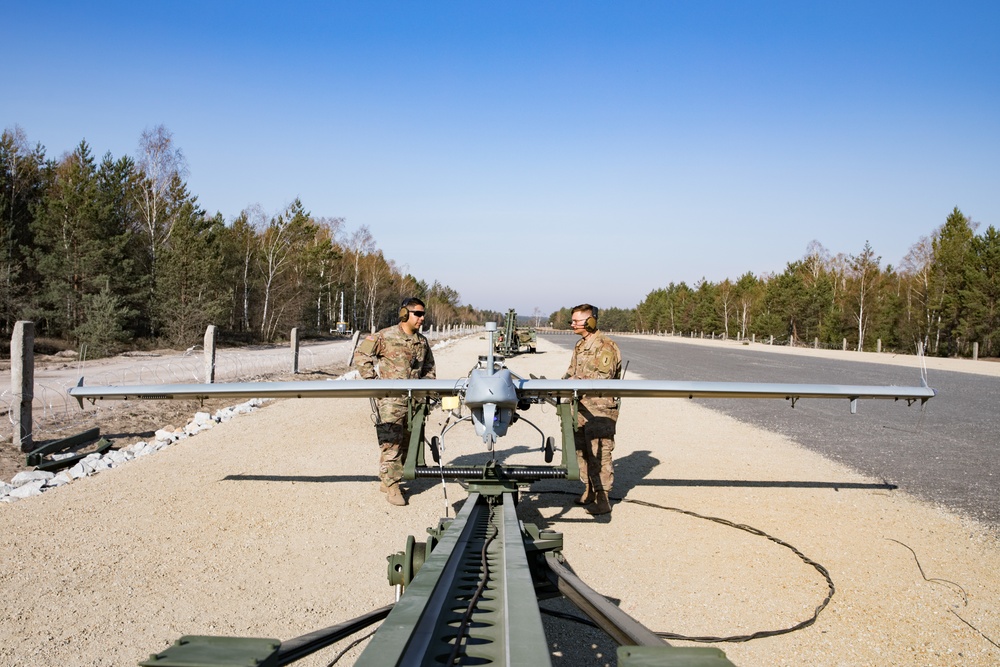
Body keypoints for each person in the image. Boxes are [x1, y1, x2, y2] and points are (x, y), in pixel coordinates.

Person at [354, 297, 436, 506]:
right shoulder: (385, 336)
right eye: (417, 314)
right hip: (391, 400)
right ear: (404, 314)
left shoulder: (422, 341)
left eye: (423, 314)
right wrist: (373, 383)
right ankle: (392, 486)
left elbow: (429, 368)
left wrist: (426, 392)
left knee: (408, 443)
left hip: (413, 401)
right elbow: (362, 354)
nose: (421, 318)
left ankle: (388, 477)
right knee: (391, 443)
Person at [563, 304, 622, 515]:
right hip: (580, 408)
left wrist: (578, 380)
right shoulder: (580, 346)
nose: (572, 324)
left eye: (577, 321)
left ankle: (603, 499)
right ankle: (589, 490)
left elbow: (603, 379)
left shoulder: (606, 346)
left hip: (599, 411)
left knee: (599, 453)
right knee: (582, 452)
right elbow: (570, 372)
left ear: (590, 322)